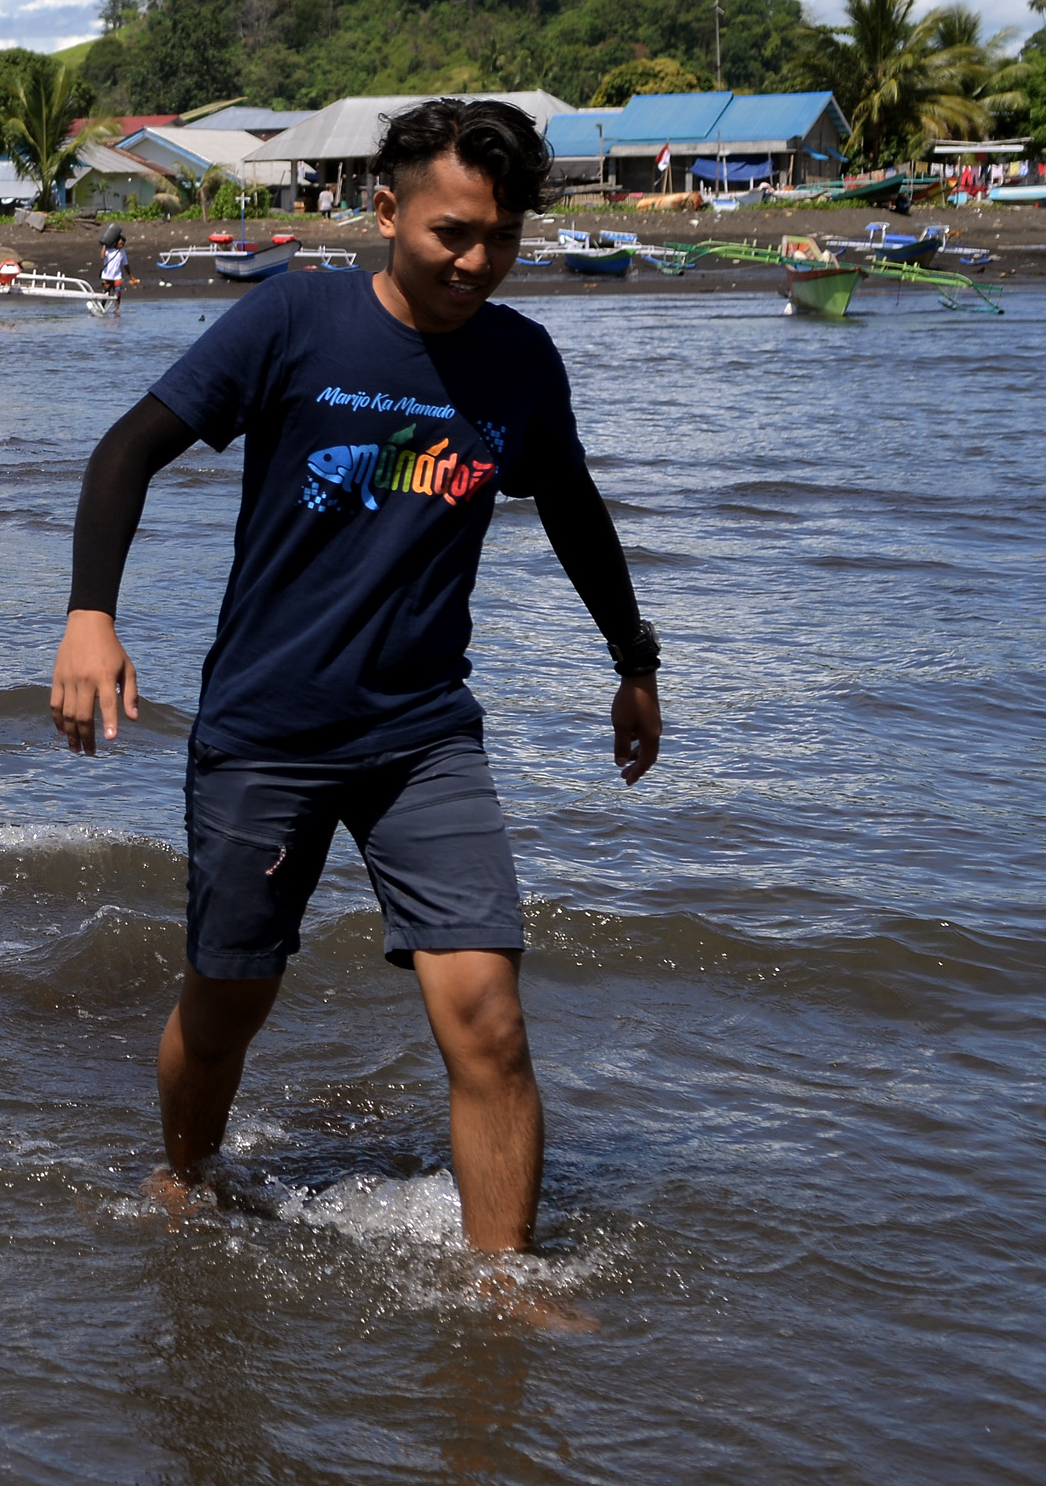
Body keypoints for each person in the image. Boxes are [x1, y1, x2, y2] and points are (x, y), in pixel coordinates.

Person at [45, 98, 663, 1255]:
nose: (477, 261)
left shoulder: (521, 358)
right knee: (227, 1009)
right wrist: (90, 615)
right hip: (266, 731)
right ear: (386, 211)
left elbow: (573, 507)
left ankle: (504, 1287)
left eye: (502, 237)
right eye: (451, 233)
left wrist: (635, 661)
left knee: (489, 1019)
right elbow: (128, 448)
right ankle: (185, 1175)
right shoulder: (294, 318)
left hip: (425, 736)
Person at [99, 227, 128, 310]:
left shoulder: (122, 253)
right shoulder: (108, 250)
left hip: (117, 277)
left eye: (123, 244)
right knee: (105, 294)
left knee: (118, 293)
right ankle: (102, 307)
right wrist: (104, 245)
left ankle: (116, 309)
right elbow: (102, 257)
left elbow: (126, 265)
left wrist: (131, 276)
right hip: (107, 276)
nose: (121, 246)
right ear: (115, 242)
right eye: (120, 244)